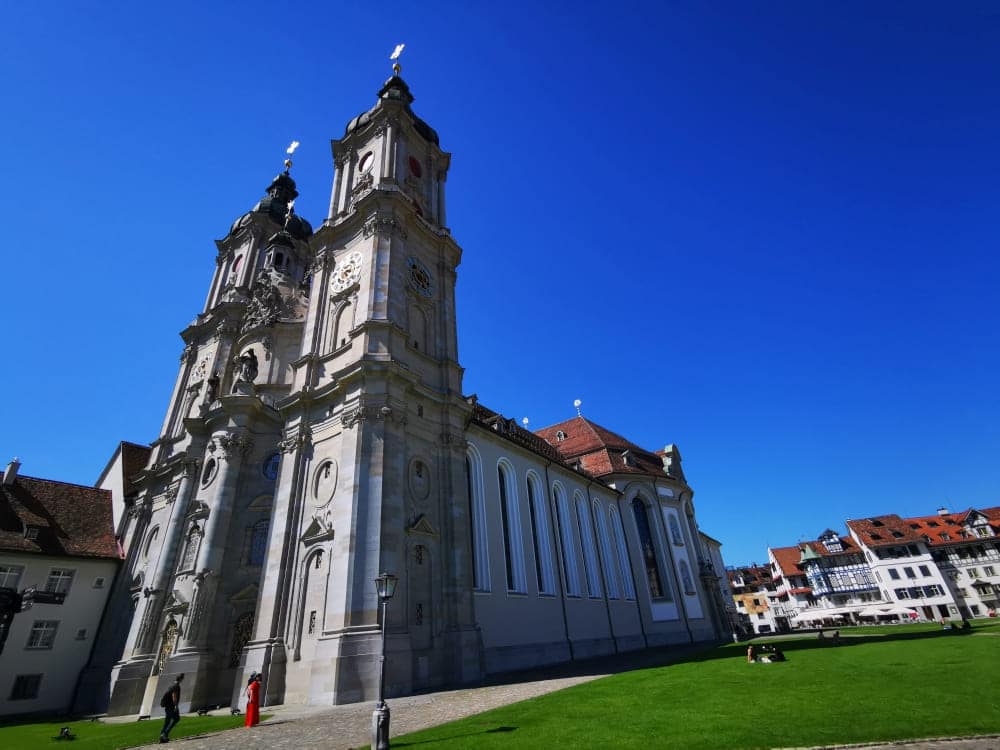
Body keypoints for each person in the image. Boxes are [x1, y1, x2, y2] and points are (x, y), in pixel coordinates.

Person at [159, 674, 184, 744]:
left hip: (168, 706)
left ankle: (162, 736)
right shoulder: (176, 686)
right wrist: (176, 706)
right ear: (181, 679)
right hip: (171, 706)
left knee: (167, 721)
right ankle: (165, 734)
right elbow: (174, 696)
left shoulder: (172, 685)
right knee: (176, 719)